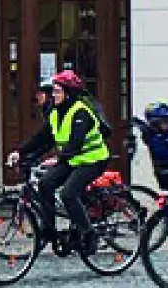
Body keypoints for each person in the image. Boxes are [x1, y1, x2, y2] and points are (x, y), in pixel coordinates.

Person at [6, 70, 110, 256]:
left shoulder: (81, 112)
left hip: (93, 160)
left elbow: (75, 144)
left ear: (68, 93)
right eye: (53, 91)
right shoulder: (56, 113)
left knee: (68, 194)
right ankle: (48, 230)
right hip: (72, 160)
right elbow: (42, 137)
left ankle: (89, 234)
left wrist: (58, 159)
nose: (53, 95)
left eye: (57, 91)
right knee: (45, 184)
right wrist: (20, 152)